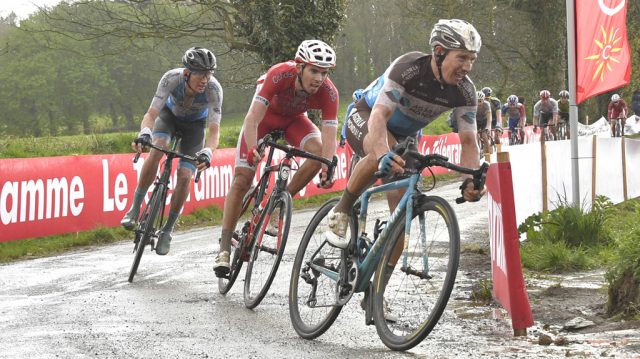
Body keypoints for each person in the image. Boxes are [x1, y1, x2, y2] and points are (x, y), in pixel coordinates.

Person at [324, 18, 484, 251]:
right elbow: (379, 115)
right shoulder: (409, 68)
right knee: (381, 152)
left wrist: (470, 179)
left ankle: (378, 281)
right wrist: (381, 154)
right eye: (461, 57)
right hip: (368, 114)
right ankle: (342, 210)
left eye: (472, 59)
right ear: (439, 52)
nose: (467, 66)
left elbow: (469, 141)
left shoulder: (466, 91)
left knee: (401, 217)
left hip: (406, 135)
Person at [213, 40, 339, 276]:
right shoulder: (279, 75)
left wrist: (327, 165)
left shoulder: (329, 92)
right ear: (299, 67)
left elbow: (329, 134)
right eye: (314, 70)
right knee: (241, 179)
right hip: (264, 119)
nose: (319, 78)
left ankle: (278, 203)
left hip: (294, 121)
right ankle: (224, 249)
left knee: (320, 154)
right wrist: (252, 148)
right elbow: (252, 119)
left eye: (324, 72)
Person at [120, 47, 222, 255]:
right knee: (158, 147)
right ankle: (135, 207)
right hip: (169, 117)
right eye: (200, 74)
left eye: (209, 73)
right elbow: (151, 114)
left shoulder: (214, 90)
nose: (205, 79)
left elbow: (213, 131)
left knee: (185, 175)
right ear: (187, 73)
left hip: (195, 126)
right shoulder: (171, 79)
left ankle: (167, 230)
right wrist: (145, 132)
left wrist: (208, 152)